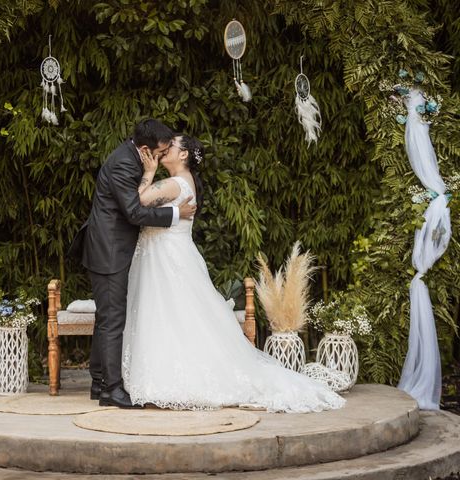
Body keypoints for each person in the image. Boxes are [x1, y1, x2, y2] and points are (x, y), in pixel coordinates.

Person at [121, 134, 345, 412]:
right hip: (168, 256)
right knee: (174, 316)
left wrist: (149, 171)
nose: (164, 149)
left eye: (172, 146)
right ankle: (165, 375)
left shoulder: (174, 183)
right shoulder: (184, 182)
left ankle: (171, 379)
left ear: (183, 155)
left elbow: (138, 202)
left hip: (167, 258)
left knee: (170, 313)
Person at [69, 119, 197, 408]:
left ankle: (100, 381)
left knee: (107, 317)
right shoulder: (124, 164)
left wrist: (151, 173)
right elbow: (134, 212)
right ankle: (111, 390)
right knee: (113, 319)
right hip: (109, 250)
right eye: (161, 151)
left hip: (112, 247)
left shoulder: (135, 158)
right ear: (144, 149)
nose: (164, 155)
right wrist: (176, 214)